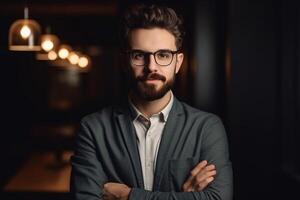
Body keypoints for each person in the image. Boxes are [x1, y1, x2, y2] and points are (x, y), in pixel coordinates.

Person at [70, 4, 233, 200]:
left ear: (178, 62)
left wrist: (128, 196)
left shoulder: (206, 127)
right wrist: (181, 196)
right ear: (124, 62)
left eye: (163, 55)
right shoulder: (94, 128)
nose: (151, 67)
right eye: (139, 55)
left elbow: (218, 198)